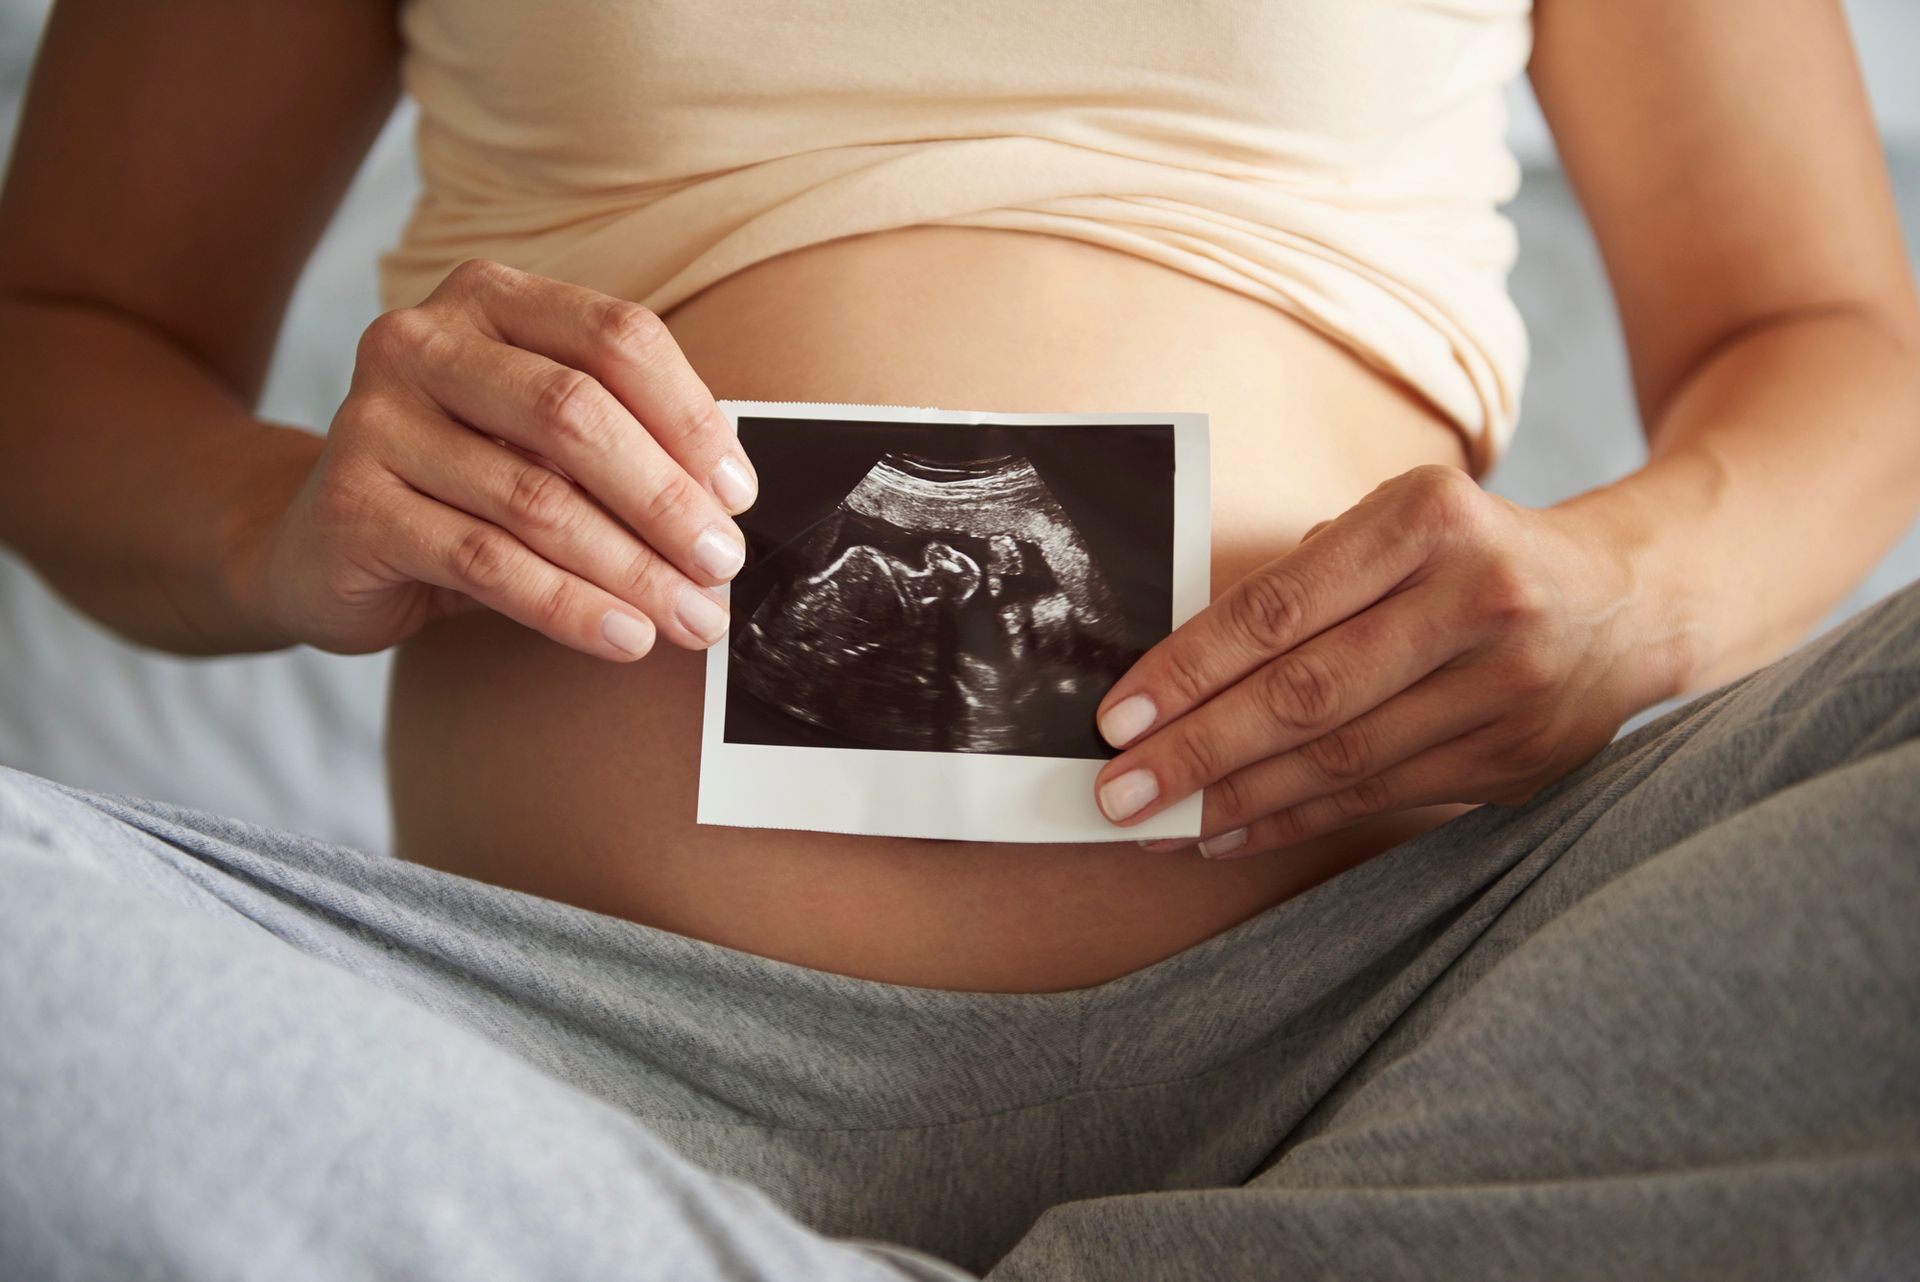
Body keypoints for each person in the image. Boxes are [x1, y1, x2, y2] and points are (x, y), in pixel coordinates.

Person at [0, 1, 1916, 1277]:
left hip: (1411, 1025)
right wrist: (278, 520)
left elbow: (1835, 335)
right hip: (552, 1064)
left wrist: (1631, 600)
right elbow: (62, 331)